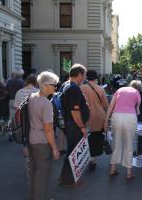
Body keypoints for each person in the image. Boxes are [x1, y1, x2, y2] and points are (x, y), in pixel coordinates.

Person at [27, 71, 60, 200]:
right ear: (45, 85)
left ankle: (35, 197)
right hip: (42, 142)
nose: (55, 87)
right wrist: (55, 148)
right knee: (42, 174)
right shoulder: (46, 103)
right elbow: (48, 129)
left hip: (31, 139)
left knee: (34, 171)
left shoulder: (32, 97)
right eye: (54, 85)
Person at [59, 64, 90, 187]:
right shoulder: (74, 89)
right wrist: (82, 127)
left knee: (71, 152)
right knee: (73, 153)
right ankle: (70, 180)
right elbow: (74, 111)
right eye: (84, 75)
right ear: (79, 75)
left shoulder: (66, 85)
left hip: (70, 124)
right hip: (74, 125)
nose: (85, 78)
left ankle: (64, 177)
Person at [104, 80, 142, 179]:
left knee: (116, 143)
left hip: (116, 117)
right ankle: (129, 173)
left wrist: (106, 121)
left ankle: (113, 168)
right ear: (139, 88)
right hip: (130, 118)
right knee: (129, 144)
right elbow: (138, 111)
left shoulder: (119, 90)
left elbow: (111, 107)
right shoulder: (137, 93)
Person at [80, 70, 109, 170]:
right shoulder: (100, 89)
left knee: (85, 137)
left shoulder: (81, 88)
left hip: (86, 116)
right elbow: (105, 105)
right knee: (96, 137)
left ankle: (86, 157)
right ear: (96, 78)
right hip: (99, 115)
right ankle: (93, 158)